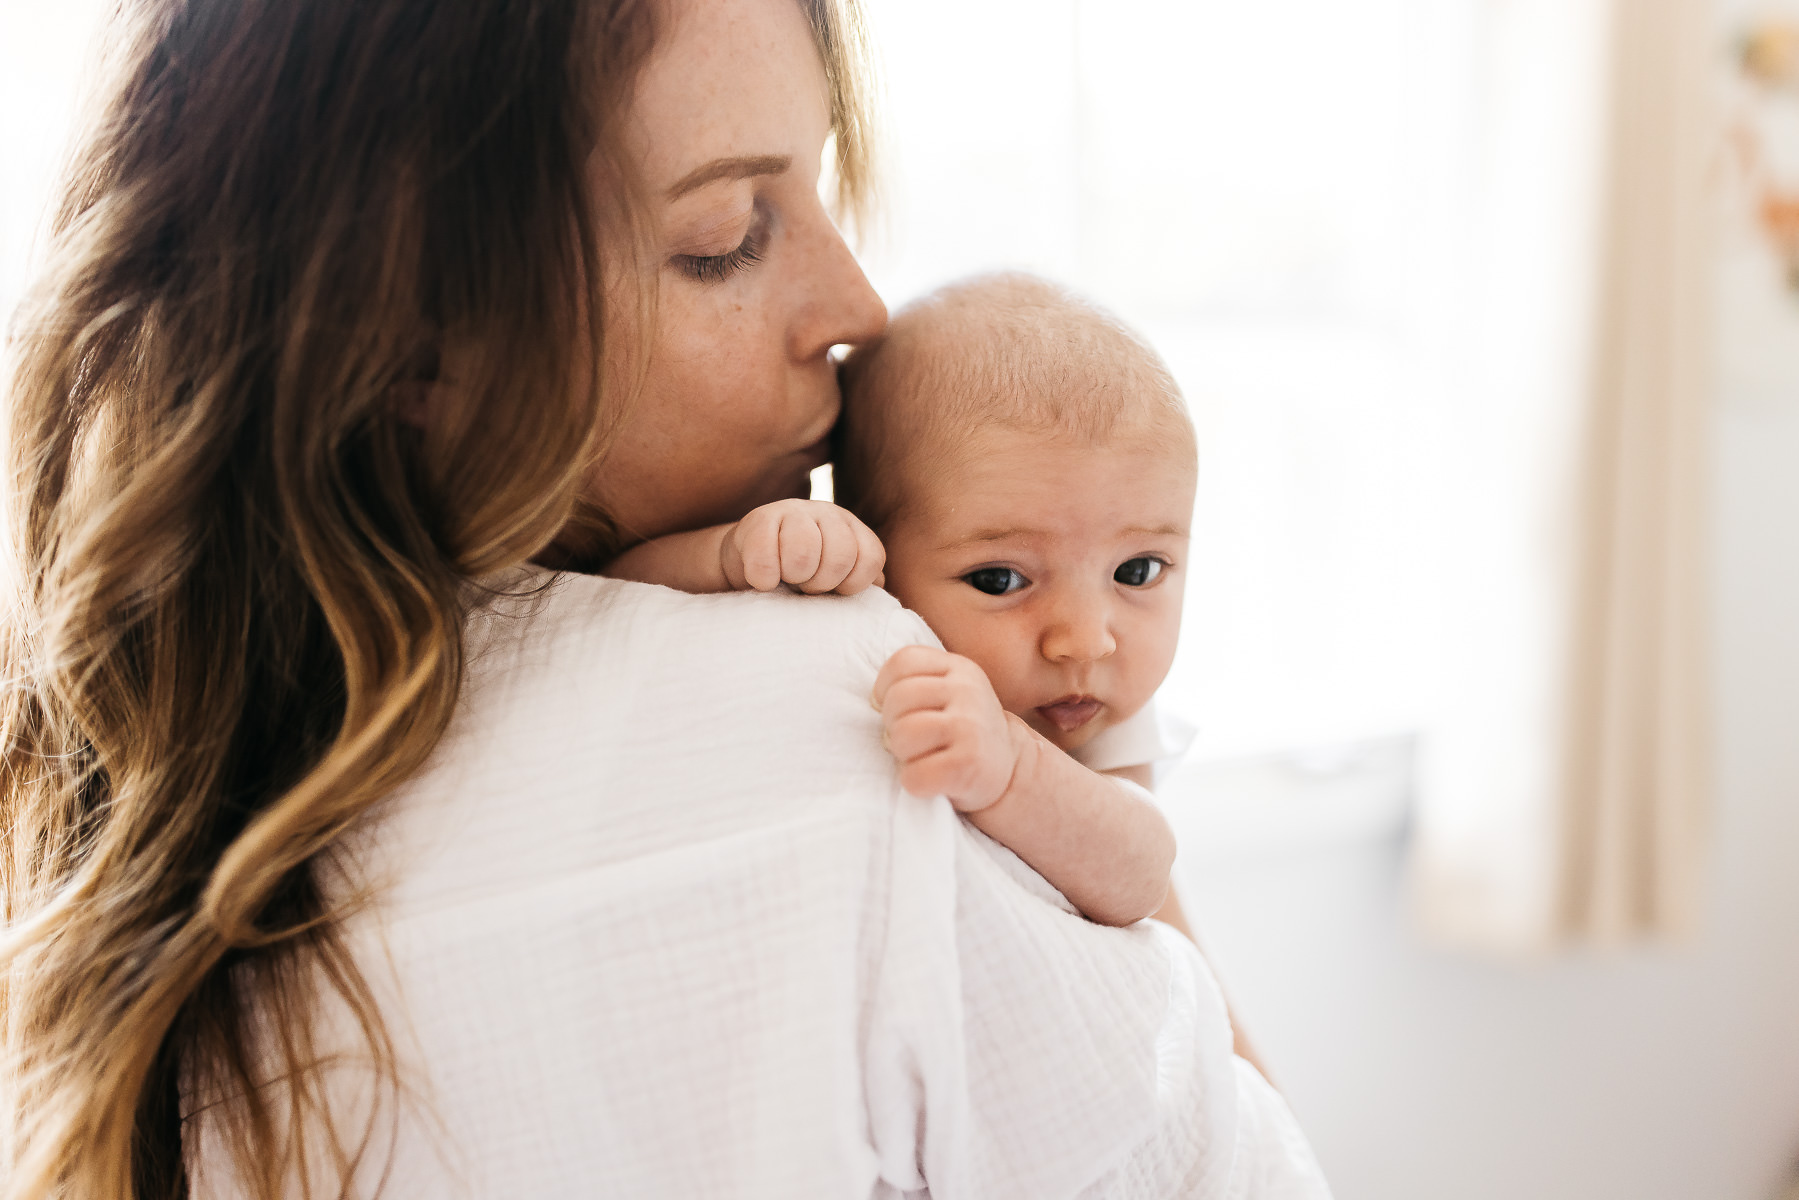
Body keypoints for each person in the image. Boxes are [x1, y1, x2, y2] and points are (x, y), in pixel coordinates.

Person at [0, 1, 1332, 1198]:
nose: (857, 305)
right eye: (725, 238)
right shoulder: (829, 711)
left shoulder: (143, 826)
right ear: (402, 342)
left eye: (815, 187)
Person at [606, 272, 1195, 930]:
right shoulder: (853, 594)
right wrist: (729, 554)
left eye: (1138, 570)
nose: (1085, 641)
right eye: (1001, 580)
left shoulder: (1095, 717)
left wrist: (1013, 769)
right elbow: (616, 593)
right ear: (876, 549)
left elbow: (1142, 873)